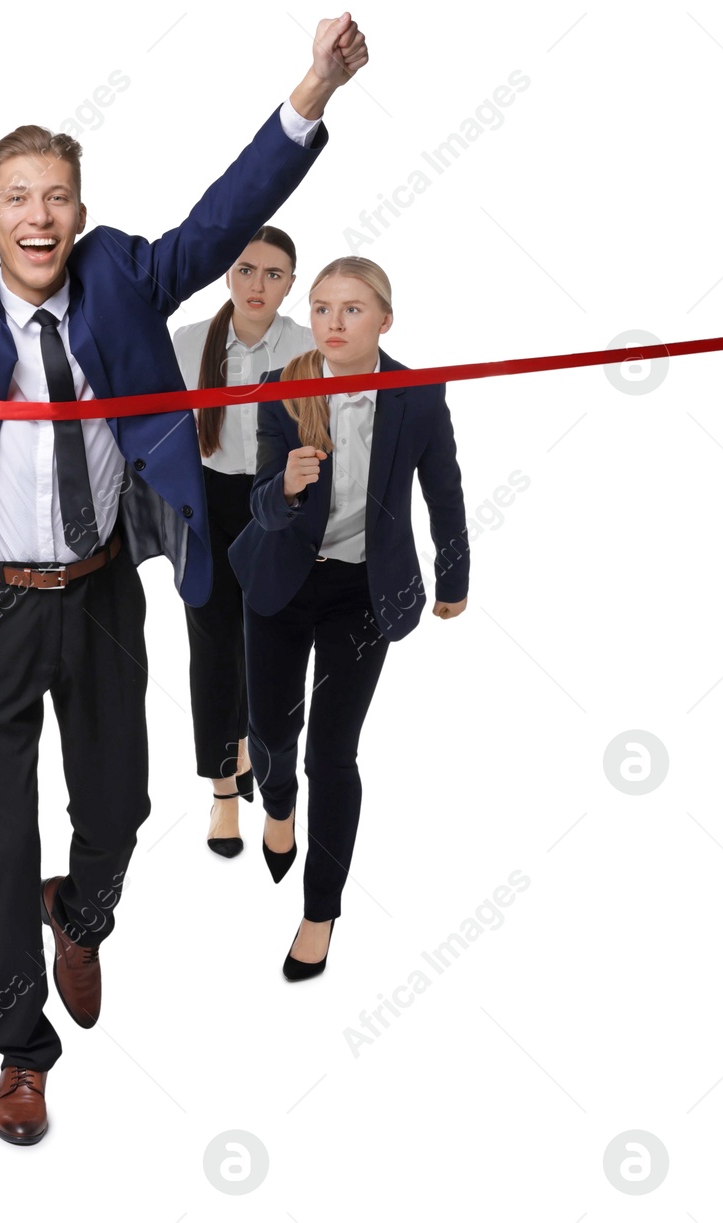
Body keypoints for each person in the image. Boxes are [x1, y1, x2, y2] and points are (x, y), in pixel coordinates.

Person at [0, 14, 367, 1144]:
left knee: (119, 810)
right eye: (16, 197)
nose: (38, 216)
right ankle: (19, 1047)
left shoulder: (123, 276)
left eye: (56, 196)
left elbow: (223, 216)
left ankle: (82, 910)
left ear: (79, 214)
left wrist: (313, 88)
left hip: (101, 592)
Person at [228, 255, 469, 982]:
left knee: (331, 752)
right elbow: (260, 506)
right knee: (271, 732)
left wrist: (454, 575)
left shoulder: (418, 396)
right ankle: (276, 804)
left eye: (352, 310)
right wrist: (287, 487)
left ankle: (320, 911)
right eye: (324, 307)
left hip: (365, 592)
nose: (333, 322)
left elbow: (446, 491)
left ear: (384, 321)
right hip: (280, 581)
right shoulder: (282, 388)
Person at [171, 226, 311, 859]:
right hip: (205, 502)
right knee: (212, 645)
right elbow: (160, 435)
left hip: (278, 504)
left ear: (290, 283)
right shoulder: (189, 341)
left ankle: (256, 747)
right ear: (228, 274)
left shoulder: (309, 349)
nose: (259, 285)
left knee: (268, 639)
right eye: (247, 270)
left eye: (274, 275)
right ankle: (224, 790)